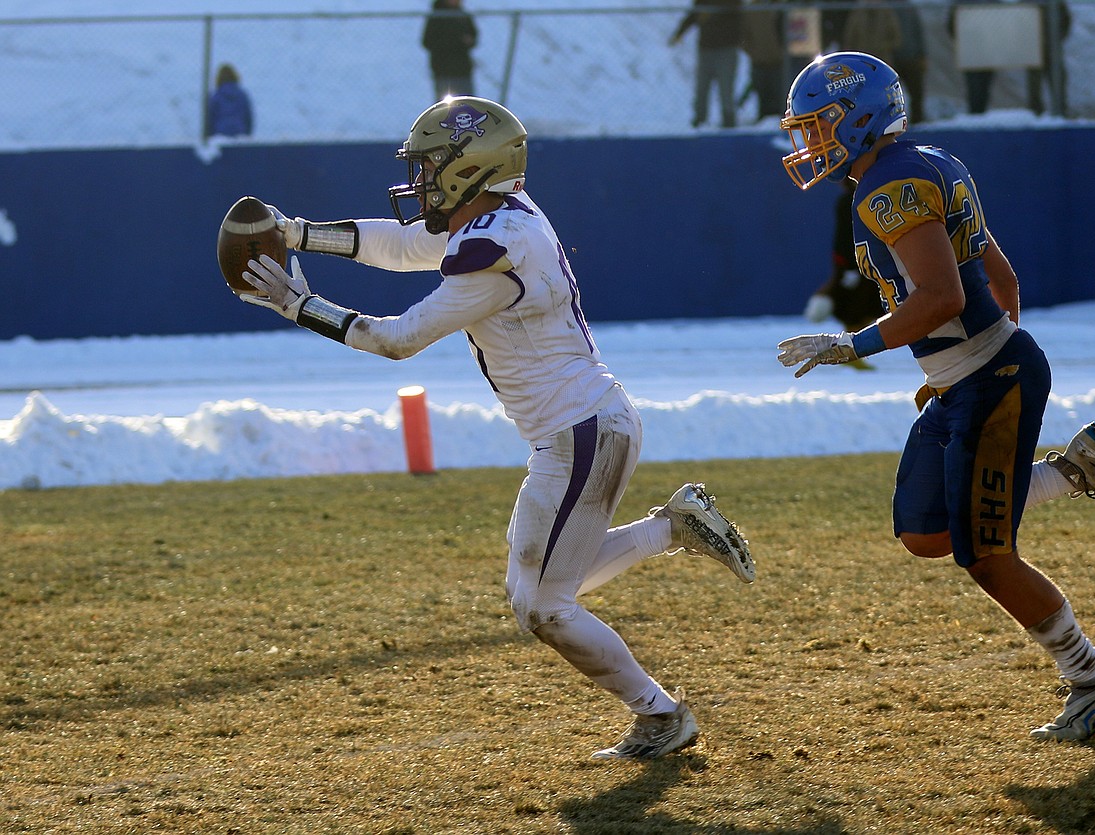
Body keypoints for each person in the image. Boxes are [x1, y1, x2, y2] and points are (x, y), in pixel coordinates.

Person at [233, 96, 756, 760]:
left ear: (468, 169)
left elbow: (398, 338)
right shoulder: (502, 217)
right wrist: (298, 232)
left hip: (582, 431)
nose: (418, 182)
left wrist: (297, 305)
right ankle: (672, 527)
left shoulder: (496, 247)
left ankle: (660, 715)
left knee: (543, 604)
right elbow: (399, 246)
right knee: (537, 591)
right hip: (584, 425)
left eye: (429, 167)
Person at [776, 52, 1095, 742]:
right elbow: (1002, 282)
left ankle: (1094, 682)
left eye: (820, 124)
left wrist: (853, 345)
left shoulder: (886, 186)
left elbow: (945, 295)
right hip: (980, 375)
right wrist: (958, 369)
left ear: (859, 117)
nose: (809, 142)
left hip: (991, 378)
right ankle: (1075, 470)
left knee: (986, 554)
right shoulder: (931, 162)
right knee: (925, 531)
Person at [802, 179, 885, 367]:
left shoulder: (866, 197)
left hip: (867, 262)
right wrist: (848, 268)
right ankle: (848, 354)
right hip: (854, 265)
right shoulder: (848, 202)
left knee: (872, 308)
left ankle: (852, 352)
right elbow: (844, 238)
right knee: (855, 308)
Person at [670, 0, 744, 129]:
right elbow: (694, 14)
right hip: (706, 49)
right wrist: (679, 32)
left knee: (726, 89)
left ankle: (729, 123)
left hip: (726, 49)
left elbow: (737, 11)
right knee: (702, 88)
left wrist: (712, 11)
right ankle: (699, 121)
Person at [739, 0, 787, 123]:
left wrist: (782, 52)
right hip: (758, 62)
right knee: (763, 99)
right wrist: (753, 52)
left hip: (779, 62)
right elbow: (742, 34)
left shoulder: (781, 6)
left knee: (782, 101)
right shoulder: (751, 10)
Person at [422, 0, 478, 100]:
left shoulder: (463, 16)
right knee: (446, 109)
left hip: (463, 69)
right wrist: (455, 41)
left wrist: (469, 41)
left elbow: (473, 35)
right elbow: (427, 41)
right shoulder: (437, 17)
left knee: (468, 106)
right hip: (443, 70)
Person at [1026, 0, 1071, 116]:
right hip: (1033, 47)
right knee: (1034, 82)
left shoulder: (1056, 3)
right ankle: (1035, 112)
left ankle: (1060, 109)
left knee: (1057, 79)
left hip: (1052, 49)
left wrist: (1057, 38)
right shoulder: (1027, 2)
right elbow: (1019, 18)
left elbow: (1066, 20)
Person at [206, 63, 253, 138]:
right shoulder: (242, 95)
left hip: (220, 134)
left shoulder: (216, 96)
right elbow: (248, 118)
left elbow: (210, 119)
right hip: (240, 133)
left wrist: (210, 135)